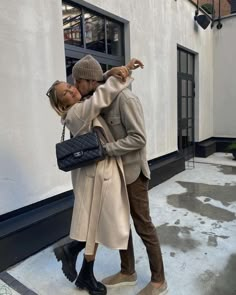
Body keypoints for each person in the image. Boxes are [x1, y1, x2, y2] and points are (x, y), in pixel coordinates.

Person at [72, 55, 168, 295]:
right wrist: (108, 74)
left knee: (143, 225)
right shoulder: (97, 98)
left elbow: (139, 138)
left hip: (132, 173)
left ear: (86, 80)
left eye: (77, 81)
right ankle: (128, 271)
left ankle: (159, 280)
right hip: (113, 176)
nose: (75, 86)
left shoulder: (126, 99)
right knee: (121, 224)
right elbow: (100, 85)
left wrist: (106, 150)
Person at [46, 59, 143, 295]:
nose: (72, 90)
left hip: (96, 172)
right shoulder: (78, 112)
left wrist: (108, 72)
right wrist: (124, 72)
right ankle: (77, 259)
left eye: (69, 86)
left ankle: (80, 267)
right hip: (97, 173)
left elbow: (94, 88)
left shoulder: (80, 104)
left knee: (97, 224)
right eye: (65, 93)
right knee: (99, 224)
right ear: (62, 104)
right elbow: (103, 95)